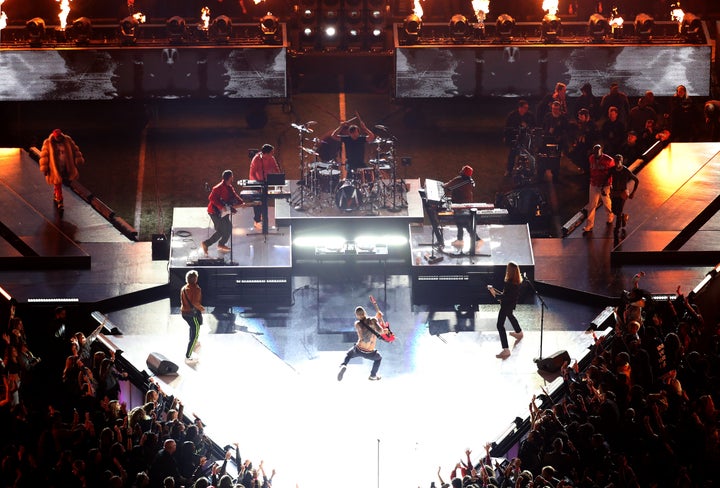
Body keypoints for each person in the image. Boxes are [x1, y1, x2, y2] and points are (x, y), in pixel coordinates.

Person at [337, 305, 390, 381]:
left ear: (357, 315)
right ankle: (373, 375)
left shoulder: (357, 324)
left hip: (359, 349)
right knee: (378, 359)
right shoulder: (373, 320)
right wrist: (384, 328)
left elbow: (367, 326)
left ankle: (343, 365)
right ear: (365, 312)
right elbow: (380, 331)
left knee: (348, 355)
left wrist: (376, 317)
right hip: (370, 351)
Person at [38, 129, 85, 213]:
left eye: (59, 137)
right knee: (57, 182)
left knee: (63, 182)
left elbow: (75, 150)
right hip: (55, 168)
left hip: (66, 166)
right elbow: (44, 156)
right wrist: (45, 168)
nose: (58, 139)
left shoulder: (67, 140)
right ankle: (60, 201)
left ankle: (56, 194)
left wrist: (78, 159)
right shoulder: (48, 143)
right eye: (56, 137)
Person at [200, 170, 244, 255]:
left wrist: (241, 202)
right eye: (232, 177)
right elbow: (211, 198)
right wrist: (221, 207)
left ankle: (221, 244)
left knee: (228, 227)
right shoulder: (218, 188)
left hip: (224, 212)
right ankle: (206, 244)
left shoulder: (229, 187)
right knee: (221, 231)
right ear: (229, 178)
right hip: (215, 212)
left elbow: (235, 196)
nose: (233, 178)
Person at [488, 262, 524, 359]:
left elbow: (503, 297)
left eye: (508, 269)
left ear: (510, 271)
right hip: (511, 304)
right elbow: (506, 295)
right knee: (510, 315)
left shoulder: (509, 284)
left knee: (500, 325)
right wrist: (496, 291)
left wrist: (493, 293)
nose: (506, 270)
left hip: (506, 305)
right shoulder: (516, 282)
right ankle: (519, 332)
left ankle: (506, 350)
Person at [443, 165, 483, 253]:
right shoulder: (469, 181)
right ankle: (460, 240)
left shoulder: (460, 180)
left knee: (465, 224)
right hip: (466, 205)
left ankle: (477, 240)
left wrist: (442, 185)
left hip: (460, 205)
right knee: (459, 222)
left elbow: (447, 186)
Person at [330, 112, 375, 177]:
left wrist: (365, 128)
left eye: (355, 132)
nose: (354, 134)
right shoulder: (347, 139)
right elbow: (333, 136)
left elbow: (372, 137)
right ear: (349, 133)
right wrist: (341, 127)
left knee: (368, 176)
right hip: (350, 163)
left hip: (360, 163)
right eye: (352, 133)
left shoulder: (361, 138)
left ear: (358, 132)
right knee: (350, 180)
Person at [583, 144, 615, 232]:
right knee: (592, 205)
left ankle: (610, 215)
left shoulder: (609, 160)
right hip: (594, 184)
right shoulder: (591, 158)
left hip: (604, 185)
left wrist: (610, 184)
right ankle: (589, 225)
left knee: (606, 202)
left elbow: (612, 173)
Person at [248, 144, 281, 229]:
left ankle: (264, 220)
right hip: (256, 183)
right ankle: (257, 220)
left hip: (265, 182)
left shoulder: (271, 158)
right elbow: (252, 173)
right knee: (257, 203)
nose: (272, 154)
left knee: (265, 201)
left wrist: (279, 179)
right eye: (271, 153)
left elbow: (276, 168)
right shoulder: (256, 159)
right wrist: (257, 185)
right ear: (266, 153)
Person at [609, 155, 639, 239]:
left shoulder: (626, 171)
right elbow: (606, 178)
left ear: (621, 162)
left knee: (618, 211)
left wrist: (633, 192)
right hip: (614, 192)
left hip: (623, 193)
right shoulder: (612, 170)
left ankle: (617, 228)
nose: (617, 163)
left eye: (619, 161)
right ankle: (623, 217)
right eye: (616, 161)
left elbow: (636, 180)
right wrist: (604, 188)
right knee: (614, 210)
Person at [503, 99, 536, 177]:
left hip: (527, 138)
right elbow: (507, 127)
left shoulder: (530, 116)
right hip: (515, 137)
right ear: (520, 108)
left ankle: (532, 169)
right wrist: (506, 136)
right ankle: (509, 170)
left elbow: (534, 126)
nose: (526, 110)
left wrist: (527, 127)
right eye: (525, 108)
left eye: (527, 108)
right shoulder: (512, 115)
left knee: (531, 153)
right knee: (512, 153)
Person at [180, 270, 205, 364]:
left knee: (192, 328)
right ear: (195, 279)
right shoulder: (196, 289)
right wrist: (202, 308)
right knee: (195, 333)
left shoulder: (184, 288)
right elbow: (195, 303)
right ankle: (188, 355)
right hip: (192, 314)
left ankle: (193, 343)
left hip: (185, 313)